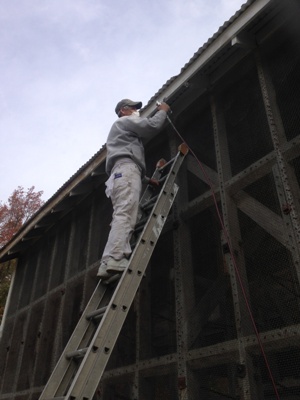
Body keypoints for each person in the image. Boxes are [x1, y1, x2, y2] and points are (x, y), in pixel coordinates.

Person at [97, 98, 170, 279]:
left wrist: (145, 180)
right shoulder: (124, 121)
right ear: (123, 110)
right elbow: (151, 126)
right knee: (126, 214)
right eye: (133, 108)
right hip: (126, 171)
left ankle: (106, 263)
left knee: (121, 214)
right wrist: (163, 110)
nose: (136, 111)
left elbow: (125, 160)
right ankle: (116, 258)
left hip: (120, 173)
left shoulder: (119, 131)